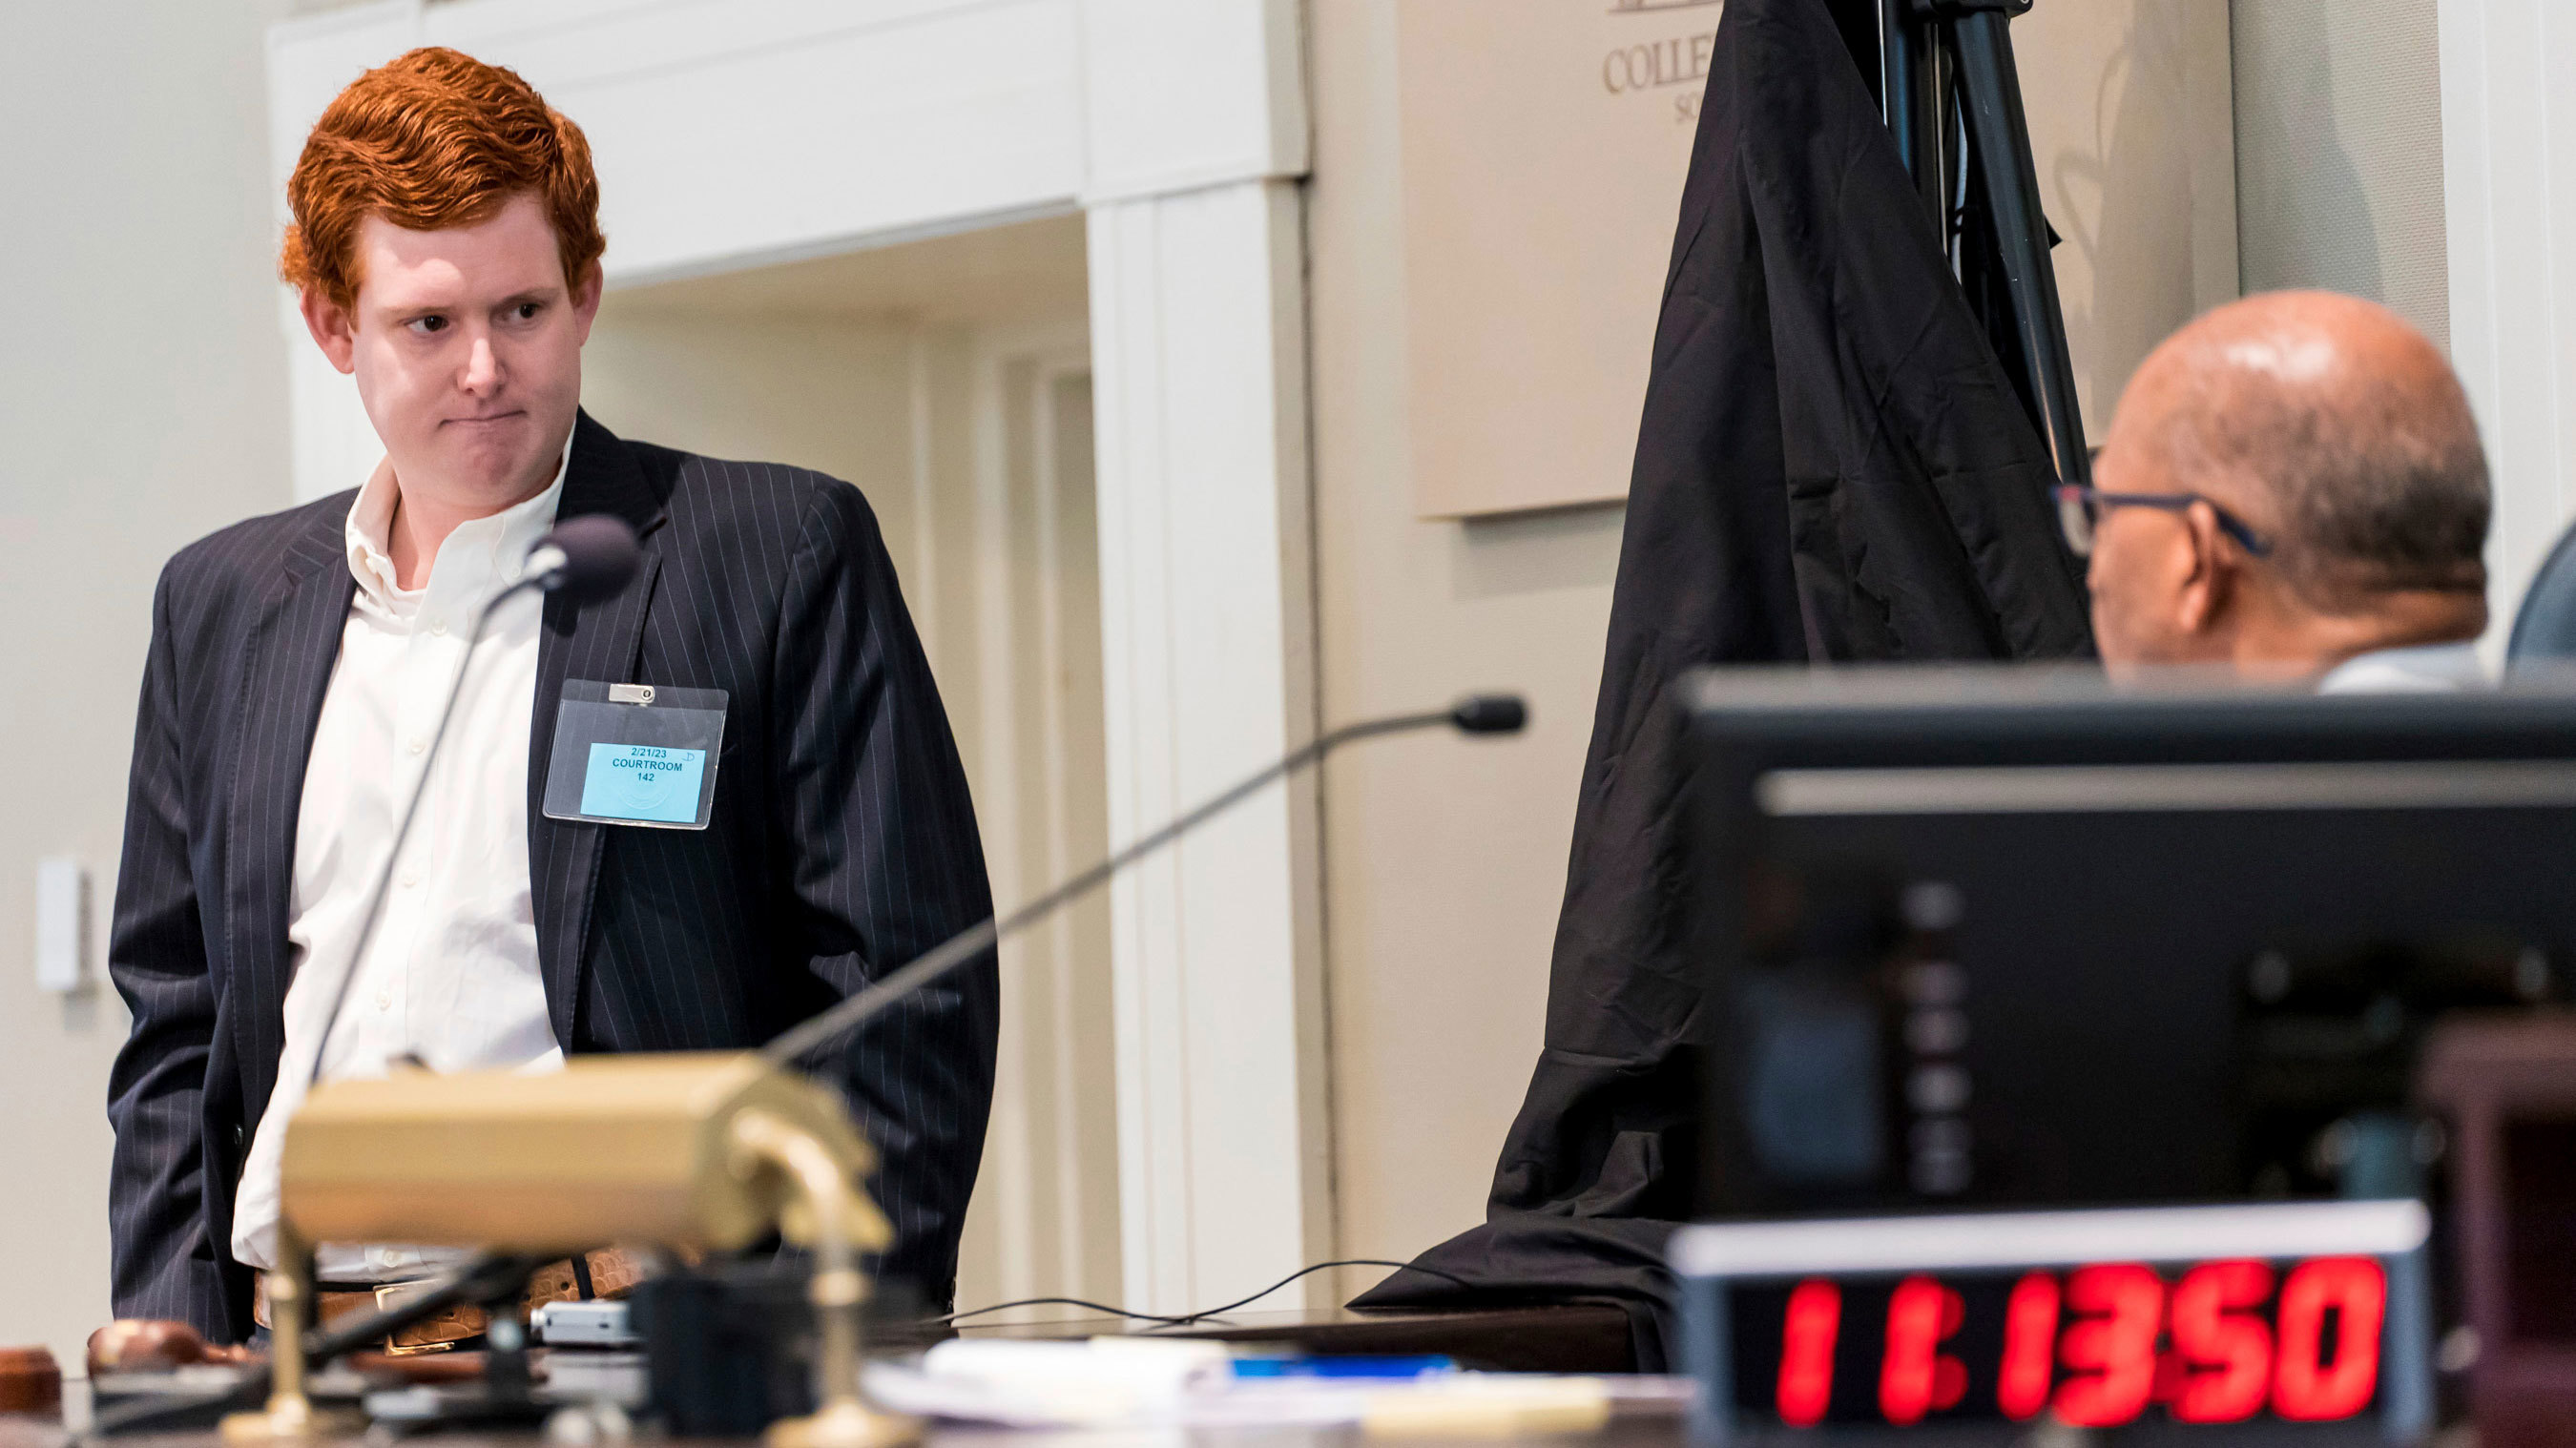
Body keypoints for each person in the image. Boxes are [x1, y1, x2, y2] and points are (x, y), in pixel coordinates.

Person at [105, 48, 996, 1344]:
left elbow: (907, 987)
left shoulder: (769, 552)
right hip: (295, 1356)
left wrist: (830, 1345)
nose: (484, 368)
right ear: (332, 325)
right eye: (429, 323)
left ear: (585, 295)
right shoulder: (222, 605)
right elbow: (177, 1019)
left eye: (522, 310)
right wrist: (170, 1347)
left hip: (632, 1350)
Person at [2060, 290, 2492, 690]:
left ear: (2196, 558)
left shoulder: (2294, 772)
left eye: (2103, 515)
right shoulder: (2533, 756)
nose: (2095, 575)